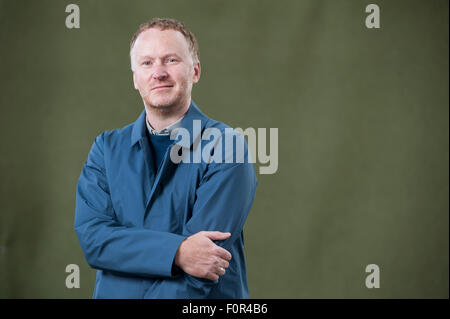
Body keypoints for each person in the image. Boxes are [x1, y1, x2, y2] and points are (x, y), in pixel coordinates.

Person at [74, 17, 258, 298]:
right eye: (147, 63)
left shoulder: (226, 146)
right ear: (135, 78)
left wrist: (135, 249)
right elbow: (94, 240)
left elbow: (205, 262)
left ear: (195, 71)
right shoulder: (106, 148)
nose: (158, 72)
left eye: (171, 60)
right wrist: (179, 252)